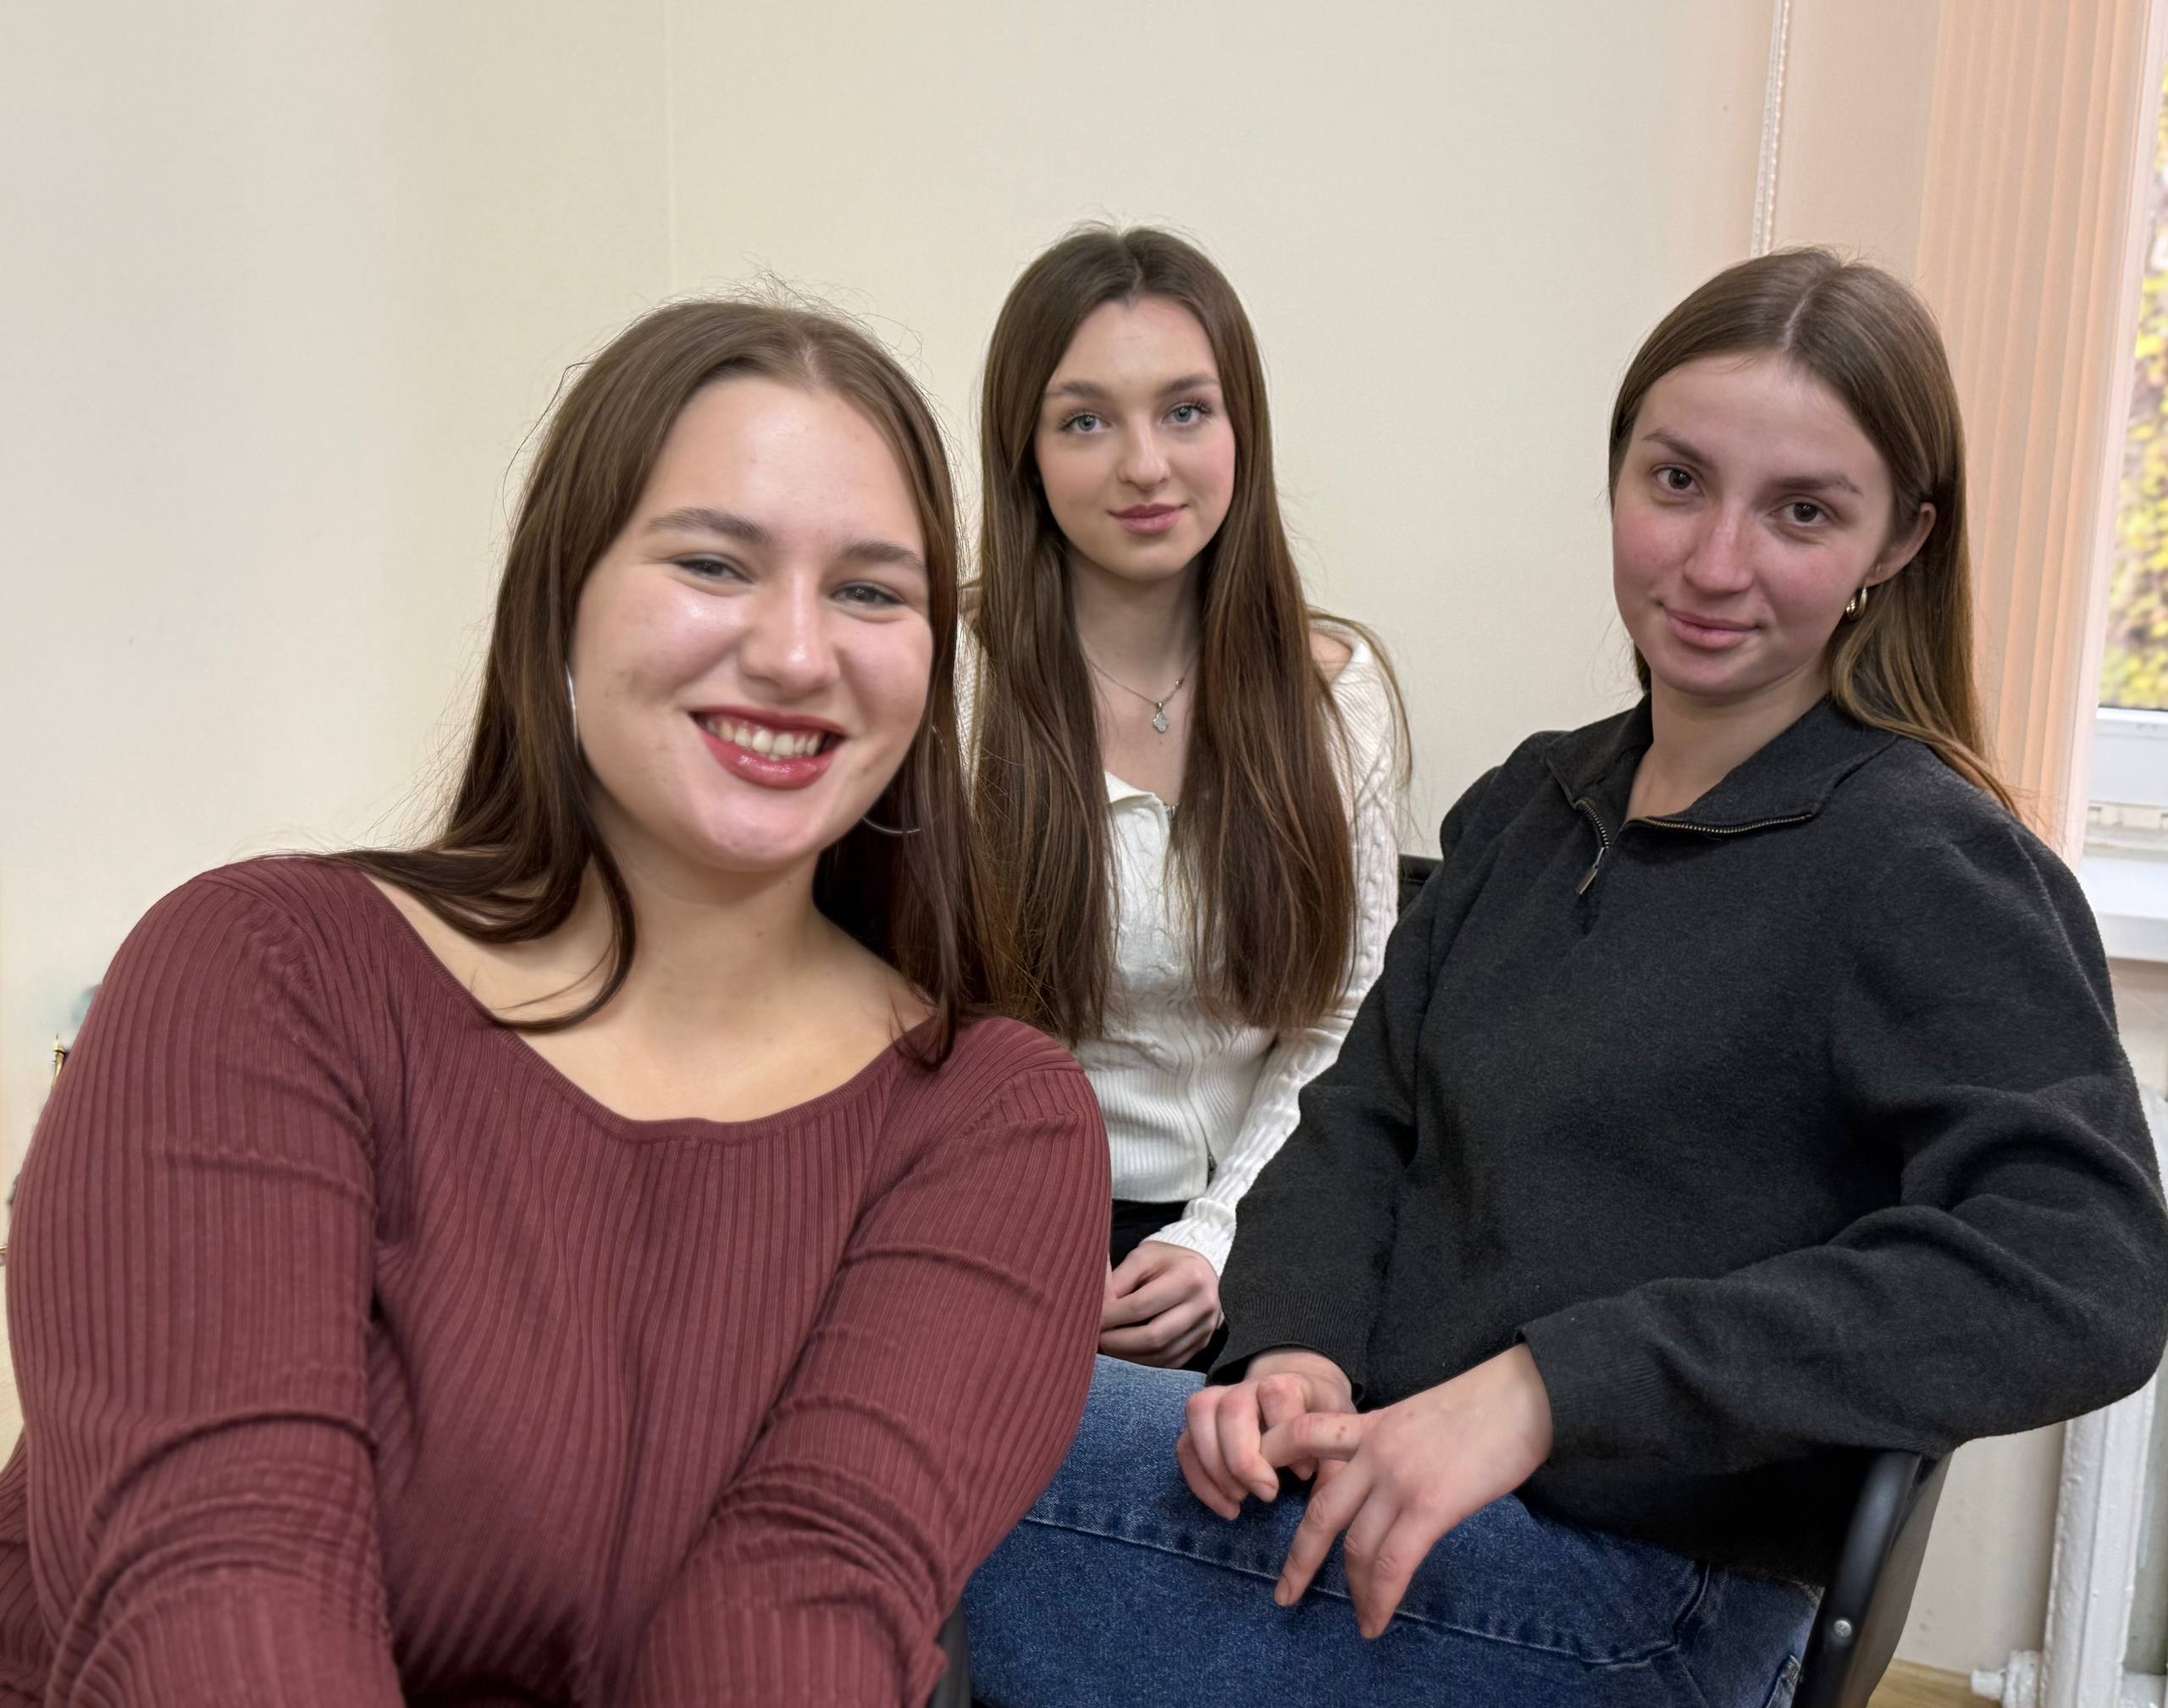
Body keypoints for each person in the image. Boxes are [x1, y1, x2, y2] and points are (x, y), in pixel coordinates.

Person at [964, 249, 2168, 1707]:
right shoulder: (1536, 806)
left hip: (1643, 1601)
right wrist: (1295, 1356)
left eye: (1802, 511)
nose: (1714, 562)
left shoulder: (1924, 863)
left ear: (1899, 541)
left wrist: (1549, 1390)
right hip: (1396, 1498)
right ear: (1618, 476)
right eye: (1677, 482)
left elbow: (2088, 1271)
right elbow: (1364, 1121)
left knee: (935, 1428)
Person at [0, 300, 1109, 1707]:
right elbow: (217, 1592)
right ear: (561, 596)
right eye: (713, 563)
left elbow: (800, 1618)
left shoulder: (994, 1120)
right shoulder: (260, 967)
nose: (795, 652)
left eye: (872, 592)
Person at [963, 225, 1406, 1370]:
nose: (1146, 466)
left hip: (1265, 1212)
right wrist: (1027, 1250)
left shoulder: (1335, 693)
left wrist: (1215, 1235)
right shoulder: (946, 682)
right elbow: (897, 1028)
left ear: (1240, 427)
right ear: (1023, 451)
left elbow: (1344, 1021)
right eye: (1085, 421)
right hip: (989, 1221)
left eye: (1186, 411)